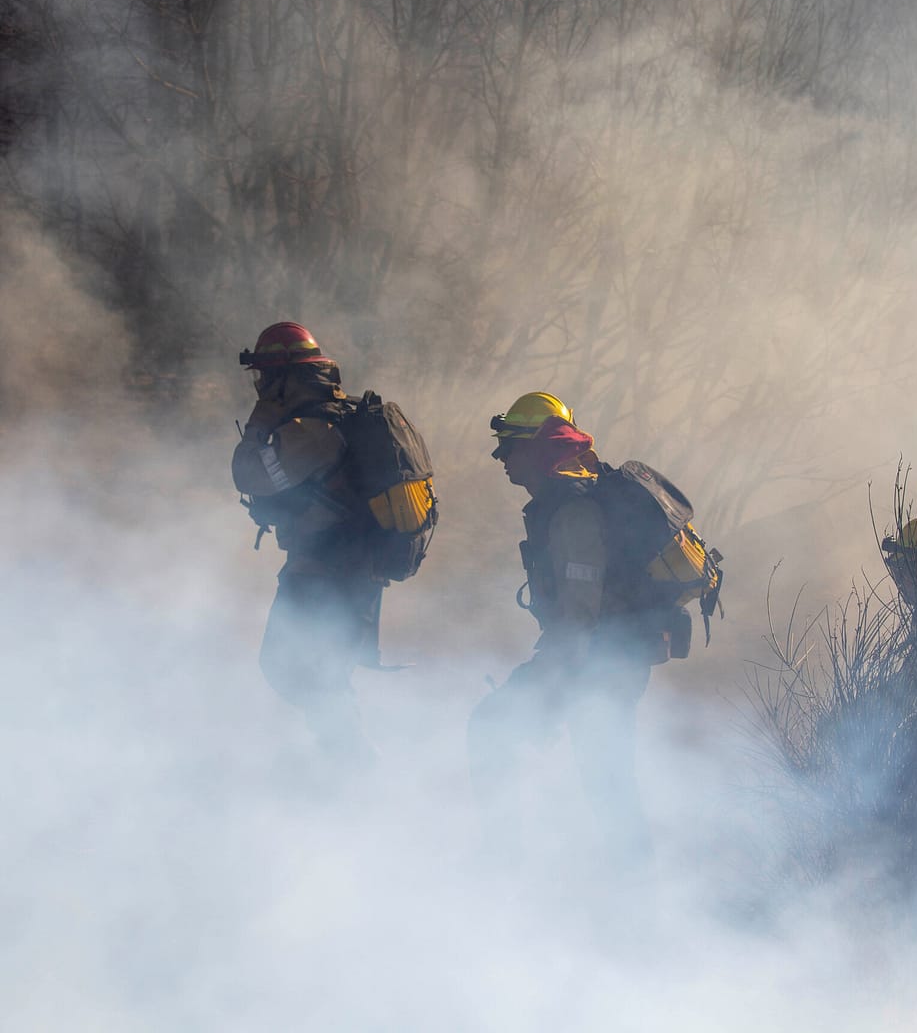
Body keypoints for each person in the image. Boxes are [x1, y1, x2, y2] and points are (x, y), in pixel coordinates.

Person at [232, 322, 435, 771]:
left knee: (293, 668)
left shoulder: (310, 431)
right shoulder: (335, 418)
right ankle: (346, 761)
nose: (261, 387)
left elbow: (250, 475)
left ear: (284, 376)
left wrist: (257, 426)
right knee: (320, 670)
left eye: (265, 375)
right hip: (348, 569)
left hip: (325, 571)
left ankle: (355, 763)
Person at [468, 391, 657, 872]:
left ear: (537, 448)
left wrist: (551, 681)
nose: (502, 458)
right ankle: (620, 881)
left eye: (509, 446)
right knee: (604, 777)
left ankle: (510, 863)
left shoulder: (573, 512)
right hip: (603, 660)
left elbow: (579, 615)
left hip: (598, 665)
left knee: (501, 731)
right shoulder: (565, 500)